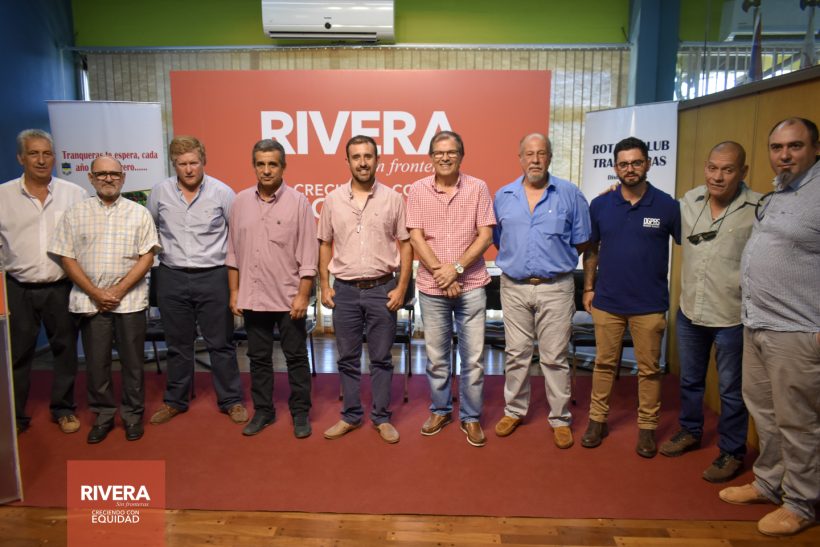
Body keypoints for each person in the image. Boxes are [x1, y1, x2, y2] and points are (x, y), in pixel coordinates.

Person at [719, 117, 819, 537]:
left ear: (815, 148)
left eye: (795, 146)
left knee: (799, 421)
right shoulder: (779, 192)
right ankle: (769, 482)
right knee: (765, 413)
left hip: (798, 329)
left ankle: (801, 503)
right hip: (757, 323)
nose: (784, 155)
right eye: (777, 147)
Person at [659, 142, 759, 483]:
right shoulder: (689, 202)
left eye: (727, 169)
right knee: (690, 381)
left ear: (743, 172)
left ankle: (732, 451)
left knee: (731, 390)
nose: (718, 176)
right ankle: (690, 430)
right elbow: (653, 208)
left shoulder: (758, 209)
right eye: (713, 168)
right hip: (690, 313)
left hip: (731, 317)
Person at [580, 137, 680, 458]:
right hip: (608, 302)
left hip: (649, 305)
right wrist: (588, 287)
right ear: (615, 167)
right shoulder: (601, 205)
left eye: (636, 162)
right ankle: (597, 421)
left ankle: (647, 428)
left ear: (648, 163)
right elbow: (591, 250)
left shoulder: (667, 206)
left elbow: (690, 245)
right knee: (603, 365)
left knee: (649, 370)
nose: (630, 169)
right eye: (624, 164)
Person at [49, 156, 159, 443]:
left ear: (123, 177)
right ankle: (104, 416)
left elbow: (147, 256)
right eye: (101, 174)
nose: (108, 178)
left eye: (114, 173)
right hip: (91, 302)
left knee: (133, 363)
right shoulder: (75, 213)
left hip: (130, 301)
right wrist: (96, 292)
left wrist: (119, 290)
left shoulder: (139, 213)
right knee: (97, 364)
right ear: (90, 177)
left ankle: (133, 416)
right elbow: (66, 257)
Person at [492, 133, 590, 448]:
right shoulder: (503, 196)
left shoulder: (570, 194)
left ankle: (560, 418)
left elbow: (582, 241)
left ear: (550, 157)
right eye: (529, 154)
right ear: (520, 158)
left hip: (556, 287)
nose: (535, 160)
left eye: (542, 153)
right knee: (516, 354)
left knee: (555, 357)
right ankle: (514, 411)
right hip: (514, 286)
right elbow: (500, 240)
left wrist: (553, 260)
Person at [146, 136, 247, 426]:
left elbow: (236, 238)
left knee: (221, 343)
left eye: (194, 162)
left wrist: (235, 282)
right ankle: (175, 401)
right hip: (172, 276)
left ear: (203, 161)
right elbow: (149, 228)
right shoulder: (160, 192)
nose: (189, 169)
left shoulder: (223, 193)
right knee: (178, 345)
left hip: (214, 275)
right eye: (182, 164)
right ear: (173, 164)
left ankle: (231, 400)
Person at [318, 135, 413, 444]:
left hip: (382, 289)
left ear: (377, 160)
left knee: (381, 358)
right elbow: (325, 243)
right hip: (344, 291)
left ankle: (382, 418)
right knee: (347, 358)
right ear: (347, 161)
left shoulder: (393, 199)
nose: (362, 162)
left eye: (368, 156)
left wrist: (401, 287)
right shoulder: (333, 199)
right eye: (356, 157)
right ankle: (350, 416)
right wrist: (324, 285)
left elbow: (406, 245)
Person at [406, 130, 495, 448]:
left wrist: (455, 269)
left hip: (471, 285)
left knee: (473, 359)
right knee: (436, 357)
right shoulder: (417, 189)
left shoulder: (478, 187)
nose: (445, 157)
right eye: (439, 152)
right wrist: (441, 273)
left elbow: (485, 236)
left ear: (461, 155)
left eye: (451, 152)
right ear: (431, 157)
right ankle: (441, 411)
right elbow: (415, 237)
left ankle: (470, 417)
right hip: (432, 288)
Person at [226, 139, 317, 438]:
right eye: (261, 164)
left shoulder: (299, 202)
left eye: (272, 164)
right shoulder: (240, 202)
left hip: (289, 297)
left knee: (296, 357)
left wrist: (303, 295)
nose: (266, 170)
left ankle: (300, 412)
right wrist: (234, 292)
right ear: (254, 166)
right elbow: (233, 252)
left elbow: (309, 254)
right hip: (253, 296)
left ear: (283, 167)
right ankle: (264, 411)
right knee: (258, 358)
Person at [0, 129, 88, 434]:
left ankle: (63, 409)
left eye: (47, 153)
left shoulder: (74, 194)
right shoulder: (3, 196)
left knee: (65, 350)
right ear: (20, 158)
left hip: (61, 286)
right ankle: (14, 417)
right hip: (17, 287)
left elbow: (83, 240)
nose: (41, 160)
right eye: (34, 153)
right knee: (17, 354)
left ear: (54, 157)